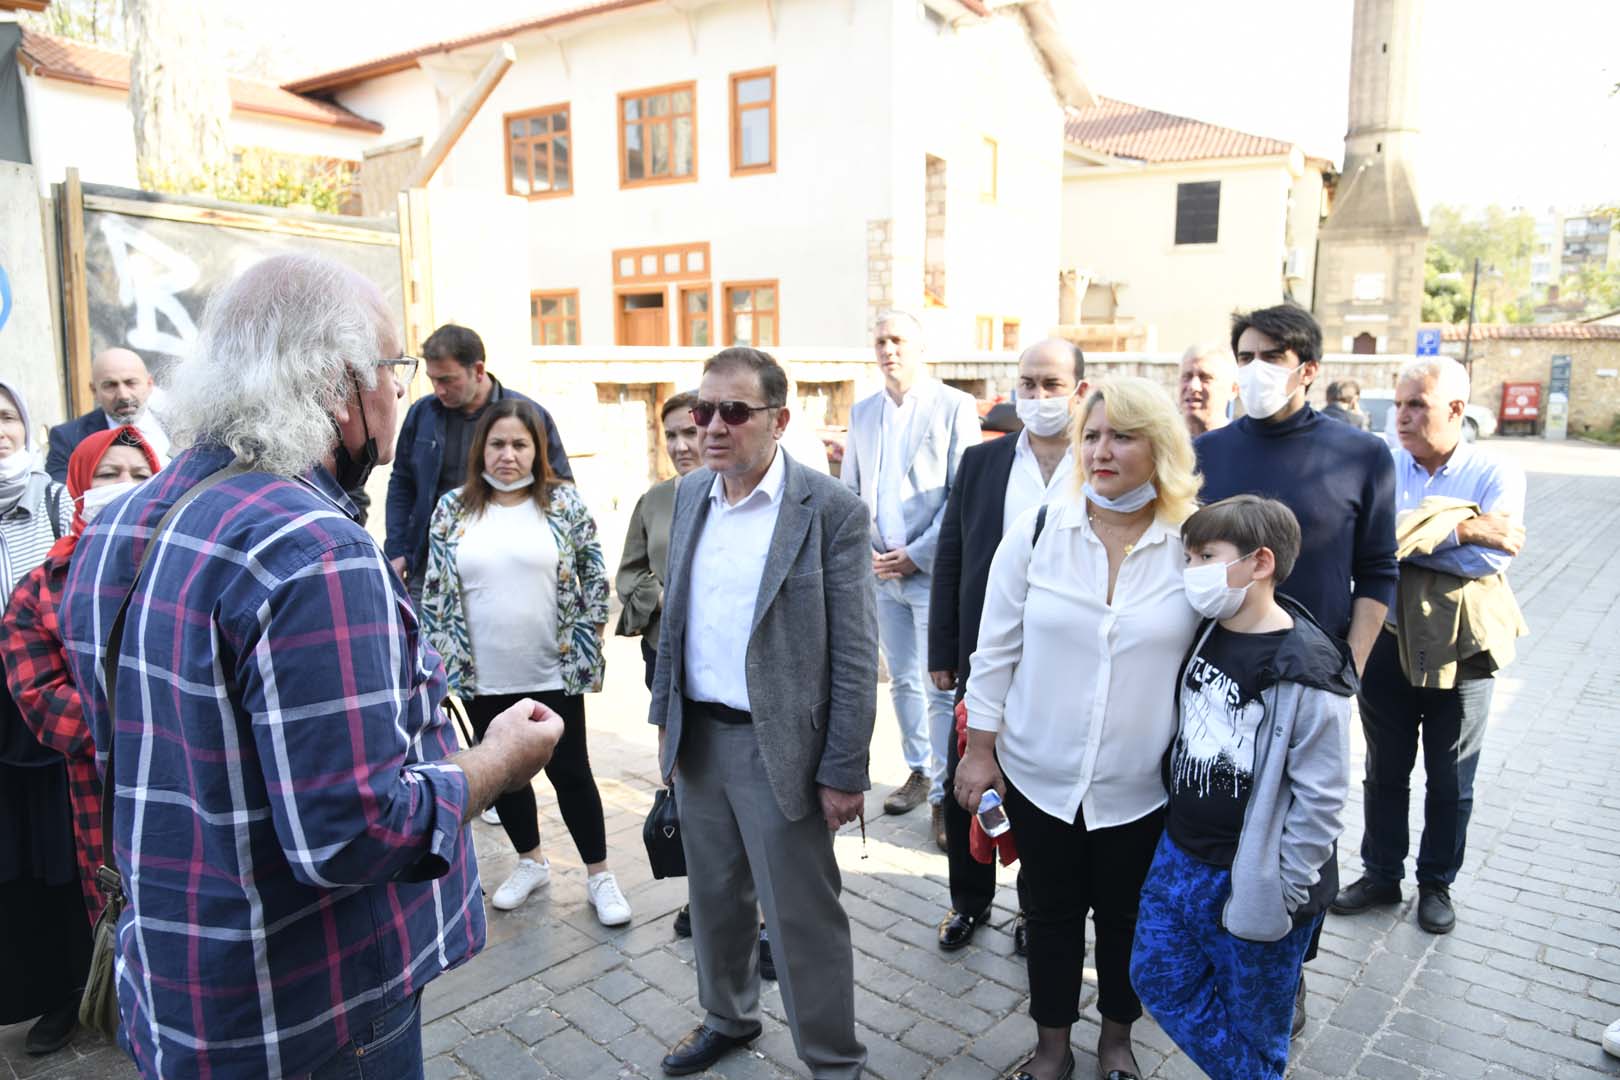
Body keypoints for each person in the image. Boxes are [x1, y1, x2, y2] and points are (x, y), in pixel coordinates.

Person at [58, 254, 568, 1078]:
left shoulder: (122, 521)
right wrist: (499, 760)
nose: (399, 391)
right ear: (340, 386)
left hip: (181, 987)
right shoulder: (313, 547)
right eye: (393, 368)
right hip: (311, 1012)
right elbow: (354, 833)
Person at [955, 376, 1204, 1080]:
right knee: (1050, 915)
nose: (1100, 451)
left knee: (1129, 920)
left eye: (1121, 436)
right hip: (1040, 775)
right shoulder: (1040, 530)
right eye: (1090, 436)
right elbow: (994, 651)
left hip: (1142, 786)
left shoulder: (1194, 543)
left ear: (1160, 449)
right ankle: (1052, 1047)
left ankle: (1117, 1041)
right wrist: (979, 752)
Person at [650, 347, 876, 1079]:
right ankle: (728, 1017)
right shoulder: (691, 494)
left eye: (734, 411)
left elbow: (854, 653)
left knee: (801, 916)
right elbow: (674, 622)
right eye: (702, 410)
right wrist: (665, 722)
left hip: (783, 751)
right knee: (714, 899)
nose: (712, 426)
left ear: (778, 420)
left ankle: (833, 1060)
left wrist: (843, 769)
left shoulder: (830, 510)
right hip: (699, 739)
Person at [1193, 303, 1396, 1031]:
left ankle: (1290, 962)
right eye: (1245, 355)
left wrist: (1350, 666)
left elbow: (1379, 569)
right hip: (1221, 668)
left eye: (1271, 357)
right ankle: (1213, 939)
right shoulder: (1207, 452)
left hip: (1310, 678)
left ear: (1307, 369)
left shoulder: (1360, 454)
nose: (1255, 369)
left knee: (1303, 822)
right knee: (1216, 806)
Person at [1130, 495, 1353, 1080]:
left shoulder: (1309, 669)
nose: (1192, 570)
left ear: (1260, 562)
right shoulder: (1207, 630)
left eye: (1206, 556)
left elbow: (1323, 798)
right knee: (1156, 976)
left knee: (1257, 1023)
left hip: (1255, 878)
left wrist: (1284, 889)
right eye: (1188, 557)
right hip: (1180, 856)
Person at [1333, 356, 1526, 936]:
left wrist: (1406, 537)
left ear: (1456, 410)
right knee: (1384, 771)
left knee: (1451, 778)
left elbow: (1490, 558)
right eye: (1398, 404)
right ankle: (1380, 874)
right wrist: (1461, 526)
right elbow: (1364, 546)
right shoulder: (1384, 464)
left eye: (1417, 405)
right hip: (1387, 640)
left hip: (1461, 649)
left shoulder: (1494, 471)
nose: (1402, 416)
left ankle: (1436, 883)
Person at [420, 397, 630, 926]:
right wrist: (439, 665)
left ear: (537, 450)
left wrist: (589, 645)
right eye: (497, 444)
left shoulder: (563, 504)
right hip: (483, 675)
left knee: (571, 771)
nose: (508, 455)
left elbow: (594, 577)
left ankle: (599, 874)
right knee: (505, 774)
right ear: (480, 450)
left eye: (519, 444)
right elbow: (436, 593)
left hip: (552, 670)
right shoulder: (453, 509)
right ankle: (531, 862)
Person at [927, 339, 1087, 954]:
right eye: (1028, 384)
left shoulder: (1096, 462)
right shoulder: (982, 463)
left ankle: (1035, 908)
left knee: (1039, 792)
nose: (1038, 396)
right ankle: (968, 901)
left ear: (1079, 390)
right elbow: (952, 554)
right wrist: (943, 649)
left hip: (1063, 661)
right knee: (967, 780)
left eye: (1052, 384)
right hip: (985, 653)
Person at [3, 425, 161, 930]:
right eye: (108, 475)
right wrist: (155, 727)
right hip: (103, 794)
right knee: (125, 929)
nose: (126, 486)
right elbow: (42, 699)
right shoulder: (41, 588)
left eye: (140, 475)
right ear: (78, 487)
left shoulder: (184, 567)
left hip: (200, 790)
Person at [841, 309, 979, 848]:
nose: (888, 349)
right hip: (879, 572)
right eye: (880, 341)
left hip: (931, 573)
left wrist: (917, 554)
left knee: (938, 684)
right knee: (899, 679)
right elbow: (850, 489)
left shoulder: (954, 406)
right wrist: (867, 551)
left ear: (921, 348)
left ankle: (944, 794)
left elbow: (962, 493)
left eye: (898, 340)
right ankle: (920, 769)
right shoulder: (863, 412)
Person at [0, 377, 80, 1056]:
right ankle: (31, 988)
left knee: (63, 855)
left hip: (47, 704)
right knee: (13, 862)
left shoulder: (55, 499)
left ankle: (71, 992)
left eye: (5, 416)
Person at [386, 323, 572, 606]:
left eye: (448, 380)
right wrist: (397, 550)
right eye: (433, 380)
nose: (439, 390)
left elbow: (559, 492)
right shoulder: (422, 415)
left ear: (479, 370)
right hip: (430, 567)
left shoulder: (528, 416)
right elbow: (402, 484)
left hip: (506, 569)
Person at [617, 391, 704, 691]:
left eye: (691, 432)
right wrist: (662, 598)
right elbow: (629, 574)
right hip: (664, 647)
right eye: (671, 435)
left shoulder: (741, 498)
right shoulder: (653, 501)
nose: (680, 446)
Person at [45, 347, 169, 481]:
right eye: (110, 385)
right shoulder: (68, 438)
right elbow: (59, 489)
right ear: (94, 391)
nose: (123, 395)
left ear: (149, 384)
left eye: (131, 383)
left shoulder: (176, 428)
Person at [1177, 342, 1240, 436]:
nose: (1193, 386)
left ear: (1233, 390)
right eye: (1187, 377)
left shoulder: (1243, 442)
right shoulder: (1163, 442)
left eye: (1205, 377)